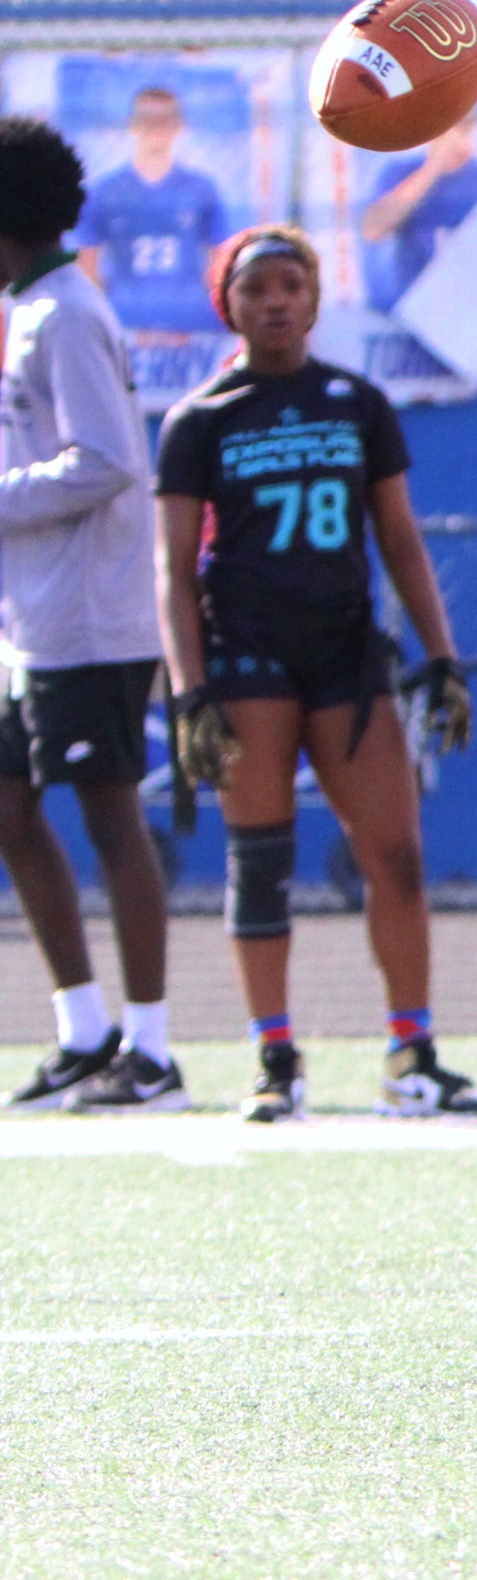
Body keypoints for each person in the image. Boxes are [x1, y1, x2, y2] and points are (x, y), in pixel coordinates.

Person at [156, 224, 477, 1123]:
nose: (274, 302)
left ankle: (411, 1053)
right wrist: (189, 688)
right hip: (247, 656)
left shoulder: (357, 403)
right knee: (261, 860)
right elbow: (171, 572)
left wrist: (442, 654)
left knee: (395, 854)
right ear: (226, 303)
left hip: (345, 655)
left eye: (290, 286)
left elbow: (398, 537)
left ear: (315, 298)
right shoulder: (199, 418)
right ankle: (275, 1057)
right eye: (256, 288)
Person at [0, 116, 179, 1114]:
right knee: (10, 808)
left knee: (112, 815)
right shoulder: (31, 307)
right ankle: (82, 1029)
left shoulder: (67, 312)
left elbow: (108, 459)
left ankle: (150, 1050)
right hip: (33, 621)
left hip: (91, 620)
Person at [72, 87, 232, 341]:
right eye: (147, 119)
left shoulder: (201, 190)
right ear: (132, 125)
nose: (156, 127)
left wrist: (197, 315)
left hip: (187, 329)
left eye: (165, 119)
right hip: (124, 326)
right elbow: (87, 267)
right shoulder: (105, 192)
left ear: (178, 126)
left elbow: (220, 262)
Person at [359, 112, 477, 313]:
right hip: (412, 305)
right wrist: (434, 167)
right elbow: (374, 229)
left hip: (472, 305)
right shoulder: (402, 171)